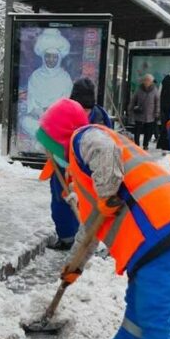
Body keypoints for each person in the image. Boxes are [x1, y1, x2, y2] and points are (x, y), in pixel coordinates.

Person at [35, 98, 170, 339]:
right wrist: (73, 268)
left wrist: (109, 190)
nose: (50, 157)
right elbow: (90, 229)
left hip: (161, 228)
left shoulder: (84, 137)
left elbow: (105, 154)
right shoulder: (84, 174)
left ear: (58, 137)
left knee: (155, 312)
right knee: (138, 302)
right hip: (155, 233)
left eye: (48, 147)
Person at [41, 78, 111, 250]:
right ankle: (67, 238)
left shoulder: (101, 117)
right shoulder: (64, 111)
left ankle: (89, 239)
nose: (85, 113)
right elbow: (49, 132)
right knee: (61, 202)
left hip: (87, 169)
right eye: (82, 108)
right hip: (62, 165)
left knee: (85, 203)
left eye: (88, 109)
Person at [130, 74, 159, 150]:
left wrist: (156, 113)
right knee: (137, 130)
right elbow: (133, 99)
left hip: (150, 114)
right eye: (145, 80)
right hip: (140, 112)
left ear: (152, 82)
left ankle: (145, 144)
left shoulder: (155, 90)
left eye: (148, 80)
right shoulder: (139, 89)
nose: (146, 82)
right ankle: (136, 144)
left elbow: (157, 102)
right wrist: (131, 108)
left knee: (148, 131)